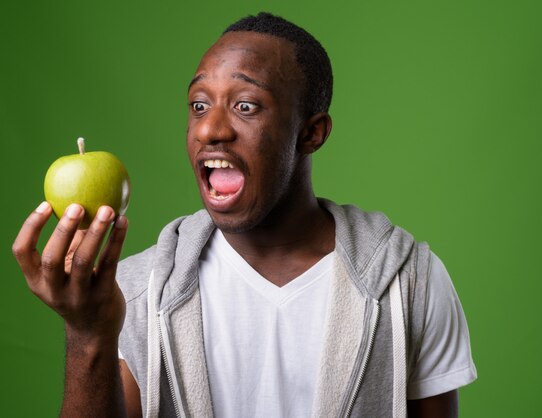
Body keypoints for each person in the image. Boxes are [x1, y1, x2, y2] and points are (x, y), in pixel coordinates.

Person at [13, 12, 477, 418]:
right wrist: (88, 333)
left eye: (246, 106)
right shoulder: (138, 295)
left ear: (312, 133)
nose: (211, 129)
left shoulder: (409, 284)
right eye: (199, 105)